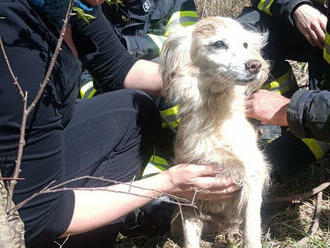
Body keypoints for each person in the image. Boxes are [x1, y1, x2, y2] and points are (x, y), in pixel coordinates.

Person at [0, 1, 240, 247]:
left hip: (42, 143)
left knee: (132, 110)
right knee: (44, 214)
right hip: (22, 200)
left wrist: (216, 78)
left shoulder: (71, 7)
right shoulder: (15, 39)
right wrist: (168, 183)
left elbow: (121, 70)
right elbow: (42, 215)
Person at [237, 0, 330, 179]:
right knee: (249, 27)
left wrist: (290, 110)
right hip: (311, 38)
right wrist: (296, 7)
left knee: (270, 164)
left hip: (320, 113)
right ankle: (274, 125)